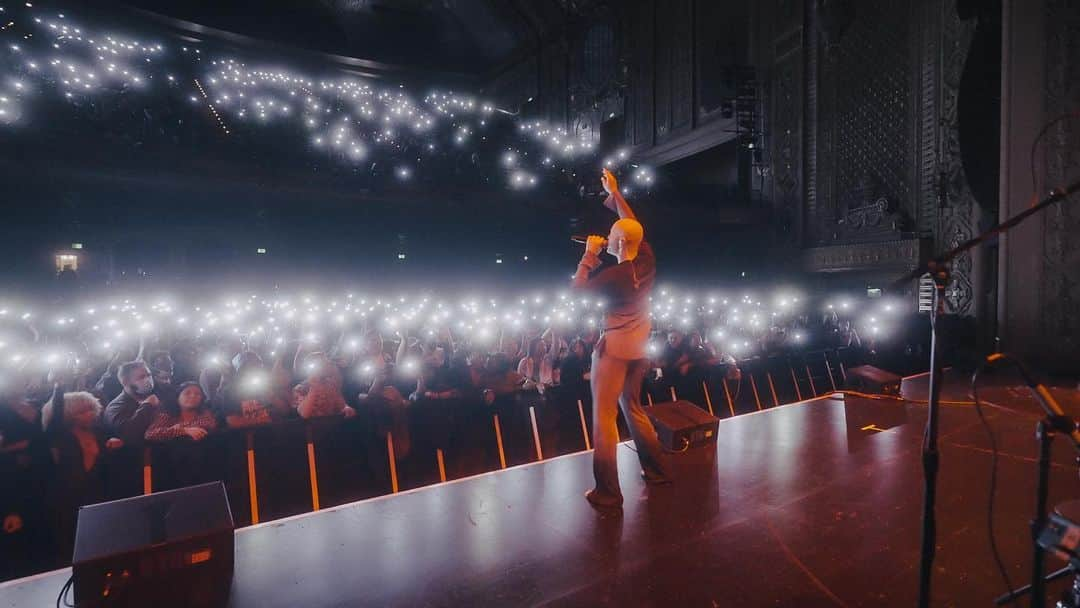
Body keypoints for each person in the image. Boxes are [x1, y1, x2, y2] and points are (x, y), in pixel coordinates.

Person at [571, 167, 670, 509]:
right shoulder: (646, 260)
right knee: (633, 407)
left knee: (604, 419)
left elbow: (577, 294)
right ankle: (657, 471)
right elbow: (633, 226)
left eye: (611, 234)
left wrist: (588, 257)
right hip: (639, 349)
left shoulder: (613, 276)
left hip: (612, 351)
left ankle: (608, 493)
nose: (607, 236)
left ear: (618, 243)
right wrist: (616, 195)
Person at [144, 382, 217, 442]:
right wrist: (184, 431)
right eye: (187, 393)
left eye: (198, 394)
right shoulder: (167, 414)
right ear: (178, 397)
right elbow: (150, 434)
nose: (193, 396)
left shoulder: (205, 413)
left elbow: (207, 426)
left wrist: (173, 430)